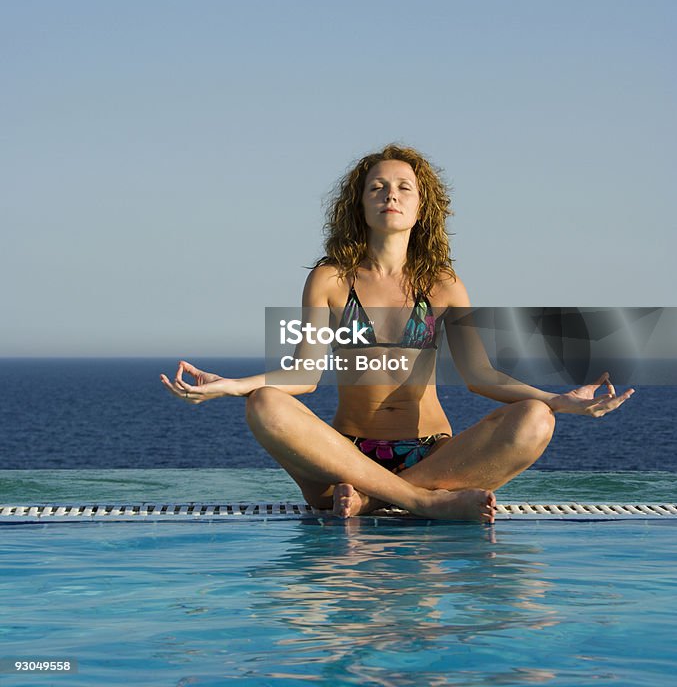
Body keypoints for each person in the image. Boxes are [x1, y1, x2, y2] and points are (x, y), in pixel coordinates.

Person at [161, 144, 635, 523]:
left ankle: (375, 501)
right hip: (343, 459)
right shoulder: (331, 278)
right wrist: (232, 387)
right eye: (377, 187)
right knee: (265, 403)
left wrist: (558, 400)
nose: (391, 194)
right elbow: (304, 375)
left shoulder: (444, 284)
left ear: (420, 205)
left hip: (432, 454)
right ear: (360, 205)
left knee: (535, 419)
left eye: (404, 187)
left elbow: (480, 375)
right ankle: (420, 503)